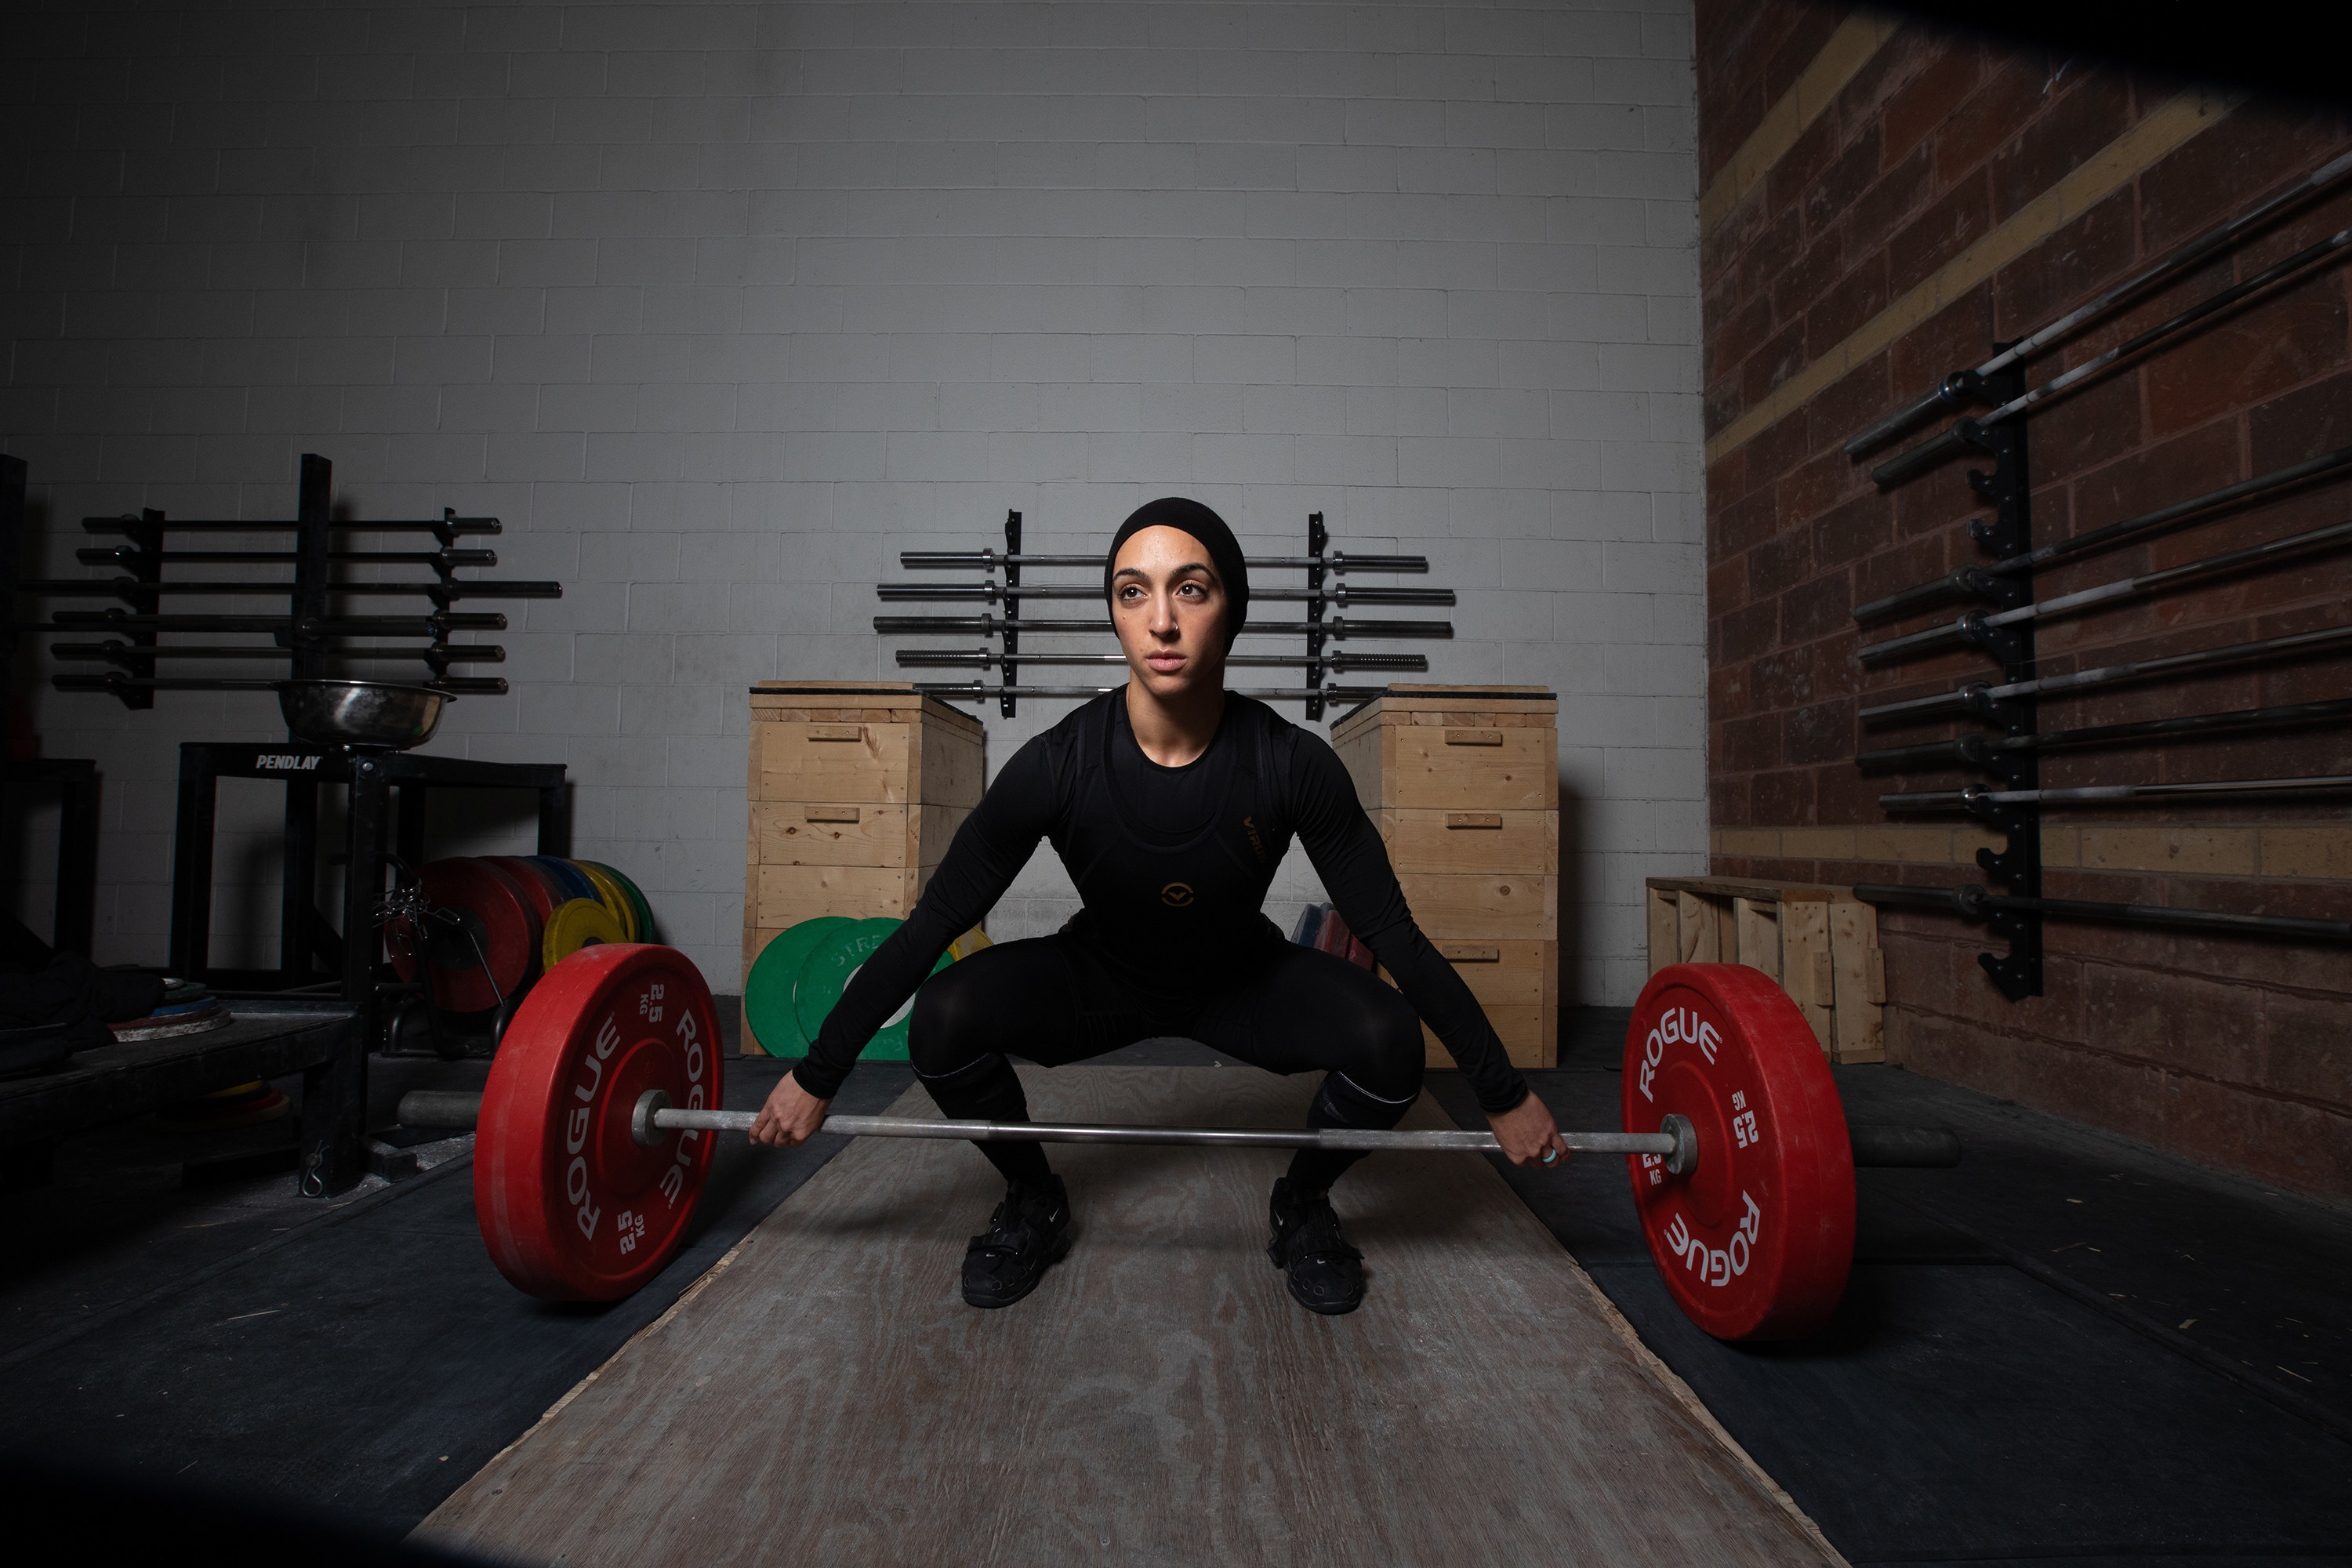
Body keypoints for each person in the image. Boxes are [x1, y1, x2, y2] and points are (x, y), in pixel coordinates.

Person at [751, 497, 1568, 1315]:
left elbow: (1393, 931)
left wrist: (1501, 1091)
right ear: (1114, 613)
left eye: (1193, 588)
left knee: (1391, 1042)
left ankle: (1305, 1201)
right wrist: (819, 1073)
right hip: (1102, 977)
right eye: (1133, 591)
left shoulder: (1293, 765)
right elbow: (933, 923)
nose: (1163, 620)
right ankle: (1033, 1195)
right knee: (942, 1016)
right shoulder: (1056, 764)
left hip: (1239, 980)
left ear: (1233, 610)